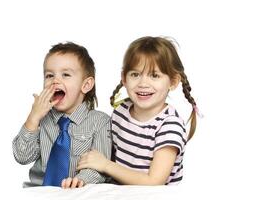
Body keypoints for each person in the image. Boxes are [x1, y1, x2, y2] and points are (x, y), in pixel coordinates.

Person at [77, 36, 199, 185]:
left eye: (154, 75)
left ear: (173, 82)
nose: (143, 83)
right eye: (135, 74)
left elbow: (154, 182)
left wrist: (105, 165)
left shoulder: (169, 125)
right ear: (124, 78)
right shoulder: (121, 112)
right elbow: (109, 154)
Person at [12, 42, 111, 188]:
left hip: (80, 192)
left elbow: (100, 164)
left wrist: (80, 180)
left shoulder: (100, 122)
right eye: (49, 75)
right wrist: (33, 118)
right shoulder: (41, 119)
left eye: (66, 75)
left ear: (86, 85)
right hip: (40, 191)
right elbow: (22, 156)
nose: (55, 80)